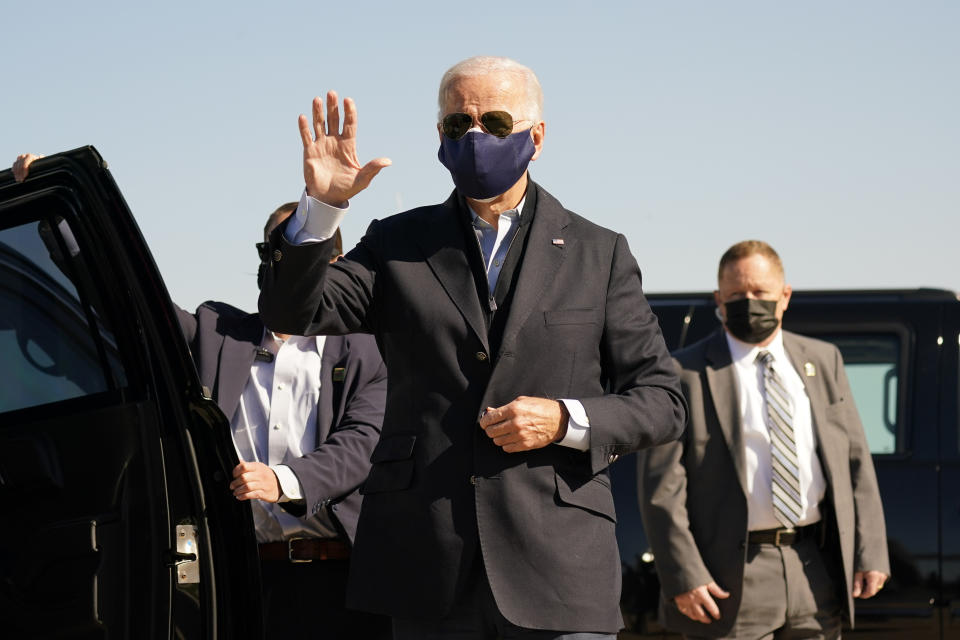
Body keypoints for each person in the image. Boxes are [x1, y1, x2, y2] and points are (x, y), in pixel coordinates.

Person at [257, 56, 688, 638]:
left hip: (558, 572)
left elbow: (662, 400)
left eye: (496, 122)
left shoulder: (598, 252)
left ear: (536, 137)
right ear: (440, 136)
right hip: (426, 568)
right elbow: (294, 312)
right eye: (459, 125)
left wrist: (566, 419)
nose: (476, 137)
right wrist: (321, 211)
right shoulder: (396, 242)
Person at [13, 154, 391, 639]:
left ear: (330, 265)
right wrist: (61, 216)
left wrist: (285, 480)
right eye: (269, 250)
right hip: (235, 579)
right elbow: (126, 306)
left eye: (291, 250)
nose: (275, 262)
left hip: (340, 582)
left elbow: (361, 444)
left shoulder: (370, 350)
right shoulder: (215, 333)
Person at [637, 240, 889, 639]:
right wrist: (683, 575)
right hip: (730, 579)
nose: (748, 302)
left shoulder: (824, 362)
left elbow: (855, 461)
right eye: (736, 294)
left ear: (784, 296)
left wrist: (870, 550)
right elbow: (661, 489)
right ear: (718, 299)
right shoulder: (682, 373)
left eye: (760, 293)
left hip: (813, 568)